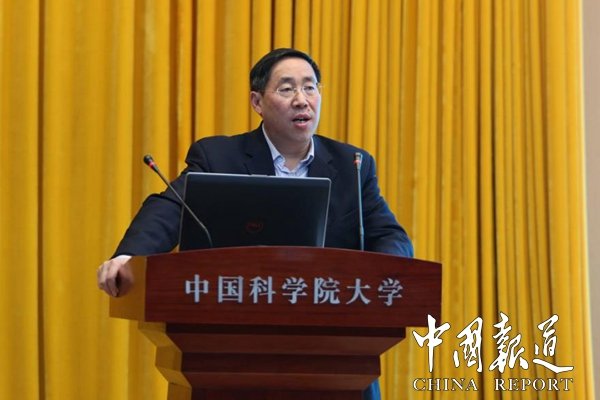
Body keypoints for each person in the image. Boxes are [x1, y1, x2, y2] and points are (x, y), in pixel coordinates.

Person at [97, 48, 413, 400]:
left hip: (334, 351)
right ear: (257, 102)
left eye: (310, 87)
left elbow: (389, 235)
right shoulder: (220, 157)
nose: (301, 100)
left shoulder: (352, 164)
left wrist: (382, 276)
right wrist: (129, 256)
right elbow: (171, 206)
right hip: (231, 348)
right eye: (287, 89)